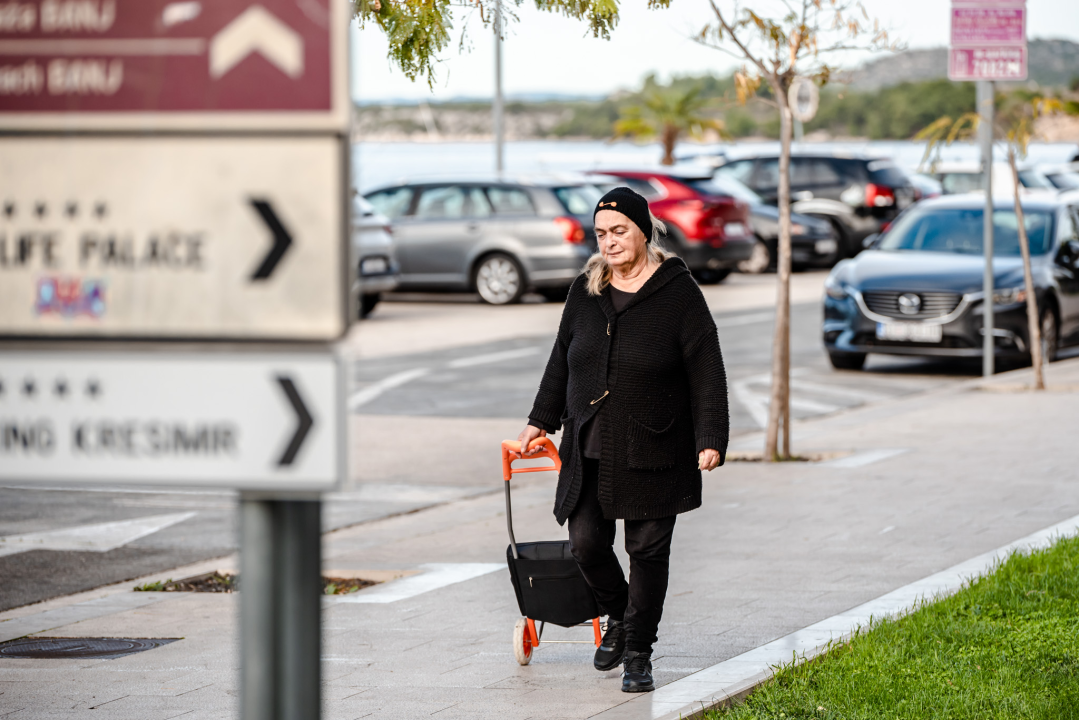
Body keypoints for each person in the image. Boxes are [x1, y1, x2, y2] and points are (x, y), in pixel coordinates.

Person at [516, 186, 729, 693]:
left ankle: (638, 653)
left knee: (647, 551)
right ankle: (619, 616)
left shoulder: (678, 292)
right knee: (586, 543)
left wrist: (711, 435)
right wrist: (538, 420)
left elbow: (706, 367)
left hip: (655, 444)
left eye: (618, 231)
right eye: (600, 234)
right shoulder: (585, 290)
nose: (608, 243)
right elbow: (561, 359)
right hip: (589, 443)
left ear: (644, 230)